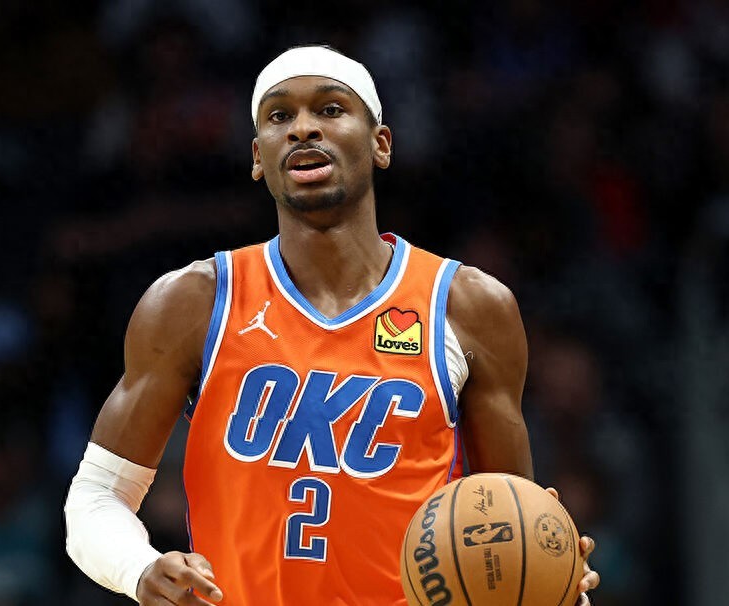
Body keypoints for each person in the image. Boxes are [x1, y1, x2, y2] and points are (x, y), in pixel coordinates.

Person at [64, 45, 600, 605]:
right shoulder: (193, 301)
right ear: (257, 156)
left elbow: (506, 524)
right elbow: (97, 496)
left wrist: (553, 575)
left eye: (330, 109)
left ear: (381, 144)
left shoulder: (468, 307)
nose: (302, 128)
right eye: (279, 116)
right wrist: (141, 570)